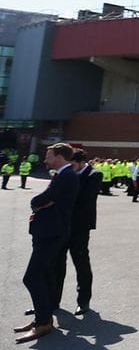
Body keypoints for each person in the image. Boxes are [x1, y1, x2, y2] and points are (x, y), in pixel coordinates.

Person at [15, 143, 79, 344]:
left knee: (32, 277)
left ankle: (43, 322)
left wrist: (38, 204)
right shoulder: (62, 175)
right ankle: (42, 318)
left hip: (52, 234)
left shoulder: (66, 176)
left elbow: (42, 199)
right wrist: (42, 204)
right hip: (49, 232)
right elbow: (46, 201)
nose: (45, 159)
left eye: (48, 155)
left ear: (59, 157)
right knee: (41, 275)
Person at [53, 149, 101, 316]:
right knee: (57, 263)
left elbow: (85, 199)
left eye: (72, 164)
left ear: (81, 162)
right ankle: (53, 301)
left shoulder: (94, 175)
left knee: (81, 263)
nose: (70, 167)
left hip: (80, 227)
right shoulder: (65, 173)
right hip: (62, 225)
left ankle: (83, 301)